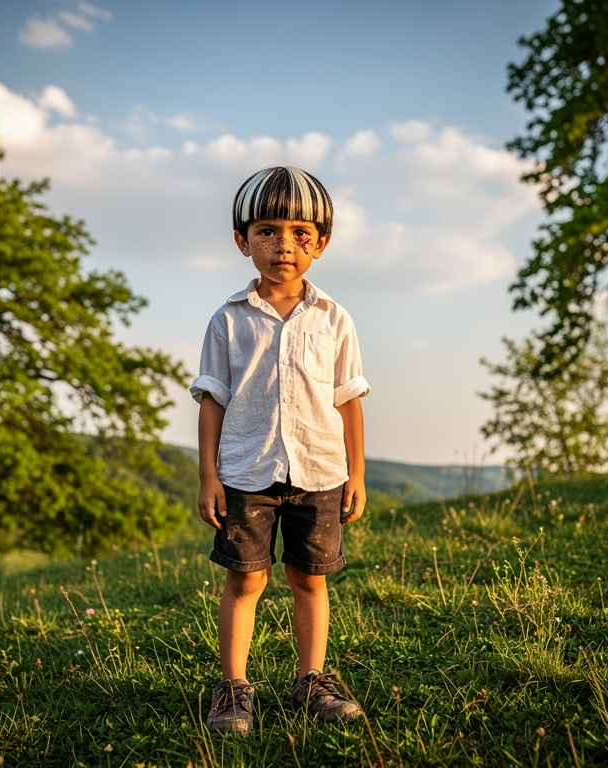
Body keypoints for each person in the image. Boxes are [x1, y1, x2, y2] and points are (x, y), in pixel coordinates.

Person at [190, 166, 370, 737]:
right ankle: (233, 688)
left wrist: (356, 473)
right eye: (267, 231)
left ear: (321, 243)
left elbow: (348, 401)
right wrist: (208, 476)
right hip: (246, 473)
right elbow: (212, 400)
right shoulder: (228, 320)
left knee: (309, 579)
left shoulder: (334, 319)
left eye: (299, 232)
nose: (283, 245)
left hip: (319, 471)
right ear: (243, 242)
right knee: (245, 581)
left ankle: (311, 681)